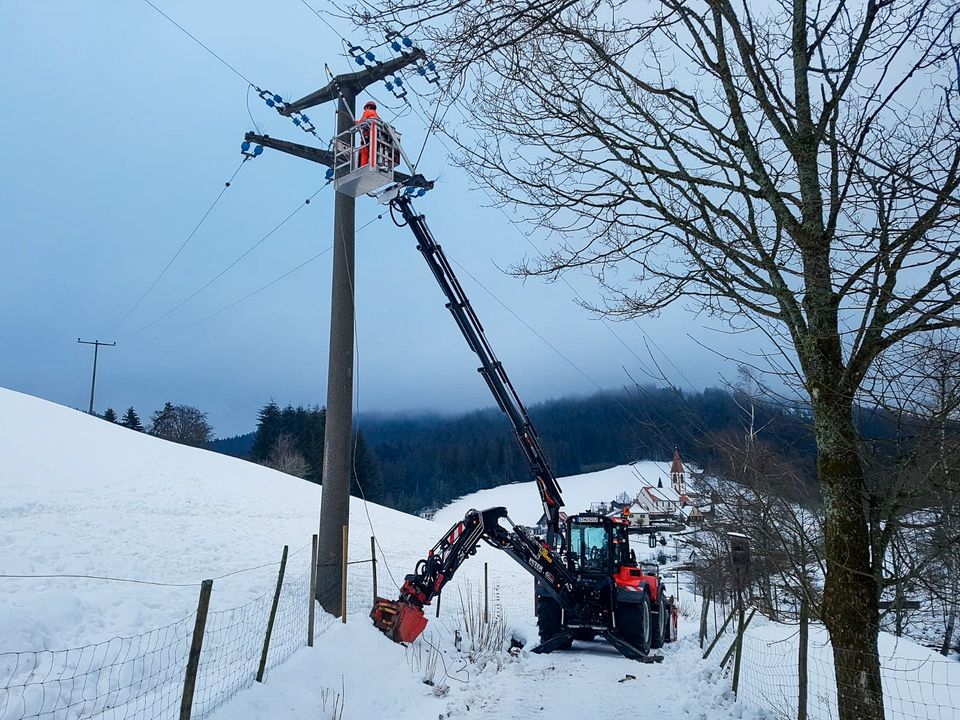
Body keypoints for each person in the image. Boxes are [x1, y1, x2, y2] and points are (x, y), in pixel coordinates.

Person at [357, 100, 379, 167]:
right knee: (372, 153)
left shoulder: (367, 112)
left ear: (368, 107)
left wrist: (355, 123)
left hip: (368, 136)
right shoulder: (376, 116)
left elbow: (361, 122)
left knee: (364, 152)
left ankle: (363, 166)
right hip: (375, 138)